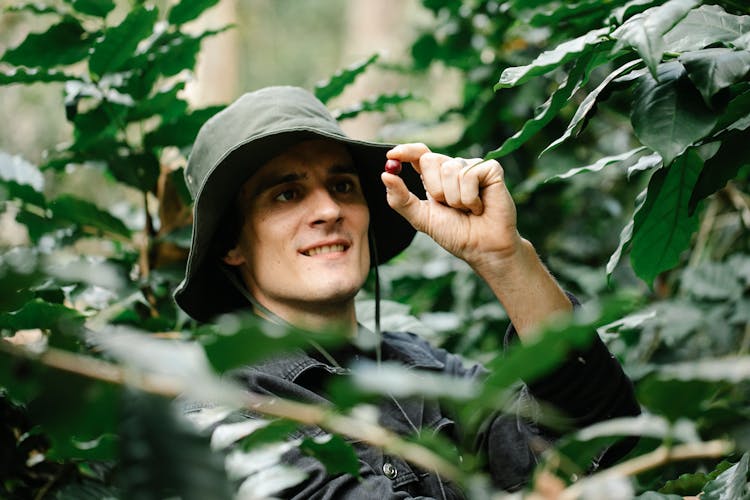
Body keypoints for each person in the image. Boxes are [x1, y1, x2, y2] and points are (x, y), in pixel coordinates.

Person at [173, 86, 640, 498]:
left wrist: (505, 258)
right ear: (232, 244)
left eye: (342, 186)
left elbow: (597, 435)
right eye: (286, 194)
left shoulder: (427, 371)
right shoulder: (220, 410)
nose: (330, 209)